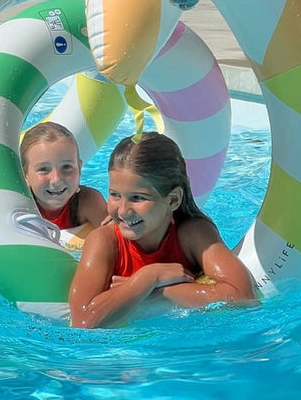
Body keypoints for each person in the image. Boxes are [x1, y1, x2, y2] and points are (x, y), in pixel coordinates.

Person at [69, 132, 256, 329]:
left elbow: (242, 296)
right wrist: (149, 276)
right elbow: (83, 321)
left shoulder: (192, 234)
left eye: (138, 198)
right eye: (115, 195)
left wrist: (158, 290)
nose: (123, 210)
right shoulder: (104, 241)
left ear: (173, 200)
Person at [20, 121, 108, 230]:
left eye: (66, 167)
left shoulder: (88, 202)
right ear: (25, 174)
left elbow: (118, 242)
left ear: (79, 169)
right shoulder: (19, 205)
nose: (56, 179)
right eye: (43, 169)